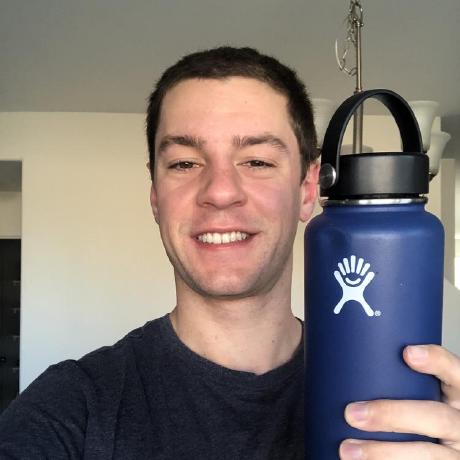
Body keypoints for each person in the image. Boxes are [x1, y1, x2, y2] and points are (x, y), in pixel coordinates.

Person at [0, 46, 459, 460]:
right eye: (184, 163)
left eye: (257, 161)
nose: (220, 192)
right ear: (156, 195)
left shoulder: (412, 399)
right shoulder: (68, 408)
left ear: (306, 189)